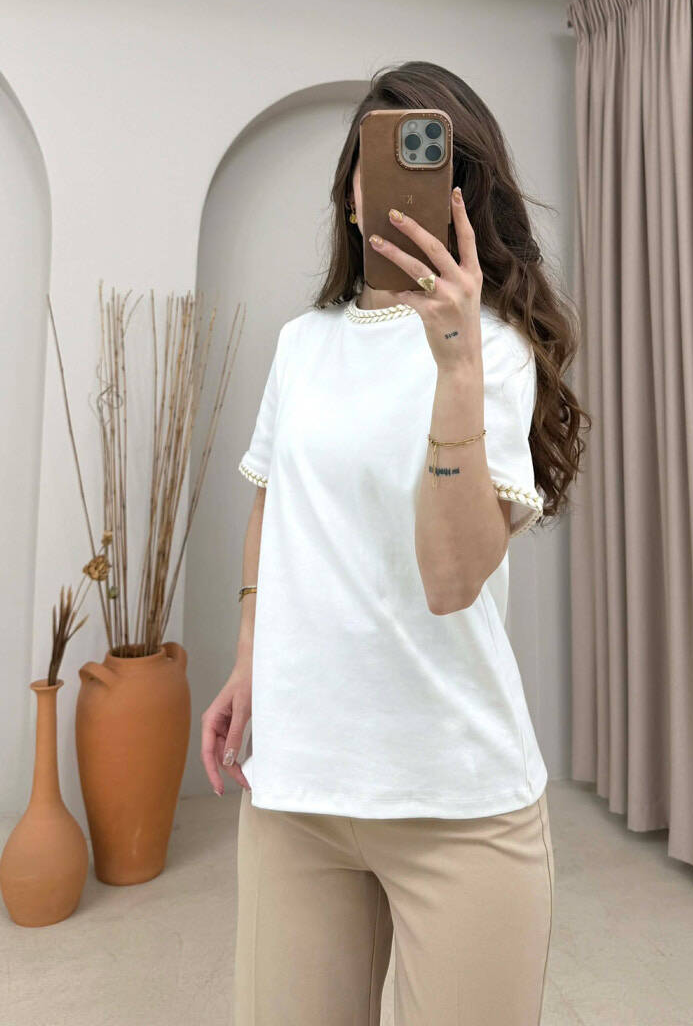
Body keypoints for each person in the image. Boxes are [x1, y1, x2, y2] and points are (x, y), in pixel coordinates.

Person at [201, 60, 587, 1026]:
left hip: (455, 796)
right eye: (376, 163)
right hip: (298, 790)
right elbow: (272, 507)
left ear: (467, 198)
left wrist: (454, 365)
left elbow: (452, 579)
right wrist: (249, 658)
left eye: (433, 165)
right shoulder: (302, 344)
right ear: (351, 190)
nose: (394, 189)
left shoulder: (496, 355)